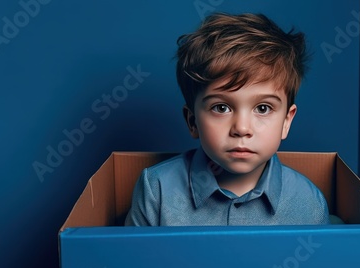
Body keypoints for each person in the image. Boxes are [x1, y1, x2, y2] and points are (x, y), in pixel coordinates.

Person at [125, 12, 330, 226]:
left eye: (262, 108)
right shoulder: (156, 190)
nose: (241, 128)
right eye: (221, 107)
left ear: (286, 122)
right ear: (192, 121)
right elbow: (136, 258)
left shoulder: (308, 201)